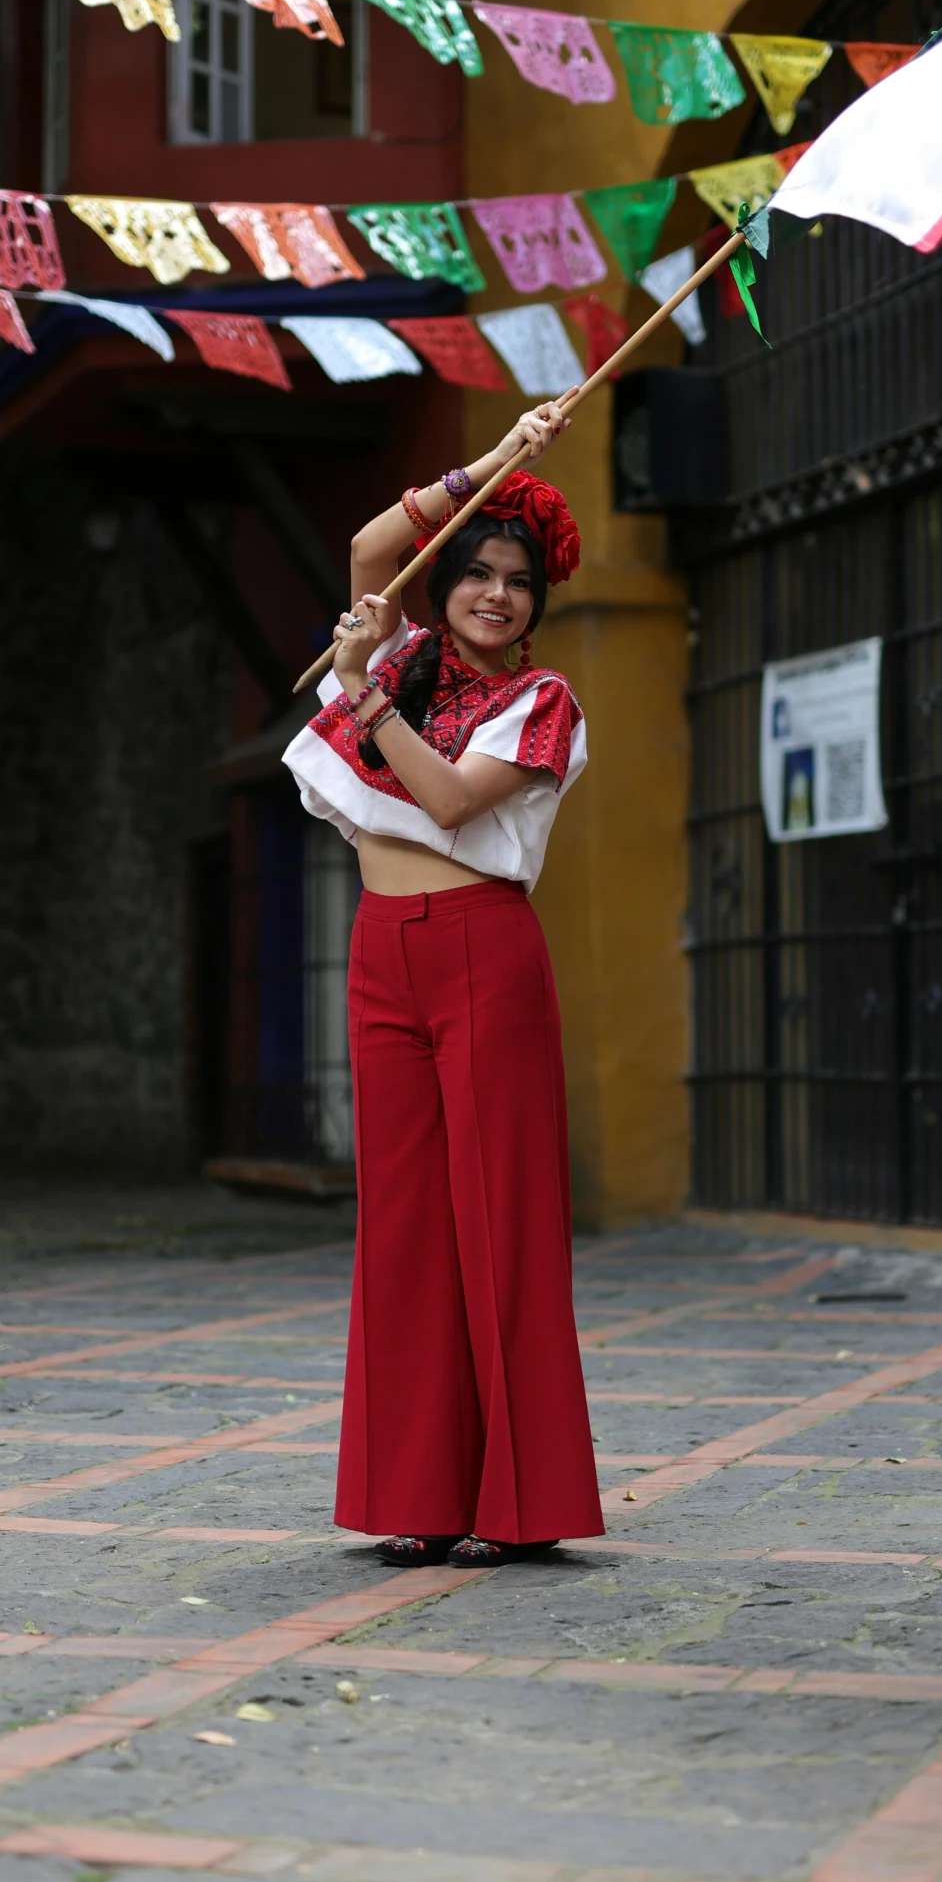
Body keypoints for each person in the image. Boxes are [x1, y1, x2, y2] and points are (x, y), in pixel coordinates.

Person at [283, 397, 604, 1568]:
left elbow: (457, 801)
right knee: (407, 1227)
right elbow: (376, 552)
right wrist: (496, 459)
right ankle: (419, 1493)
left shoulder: (541, 702)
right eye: (476, 572)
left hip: (483, 953)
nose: (496, 595)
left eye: (517, 580)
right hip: (383, 948)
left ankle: (517, 1504)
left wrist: (362, 693)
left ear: (536, 601)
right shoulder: (409, 651)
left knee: (497, 1220)